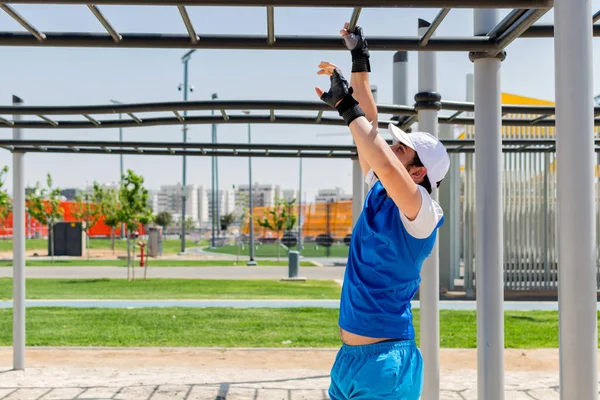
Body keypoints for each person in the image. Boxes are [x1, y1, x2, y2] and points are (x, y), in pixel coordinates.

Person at [314, 23, 450, 400]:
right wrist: (360, 57)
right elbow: (369, 125)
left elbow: (383, 159)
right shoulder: (381, 192)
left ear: (419, 172)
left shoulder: (423, 213)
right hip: (351, 360)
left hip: (385, 364)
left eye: (402, 149)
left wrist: (345, 106)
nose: (391, 149)